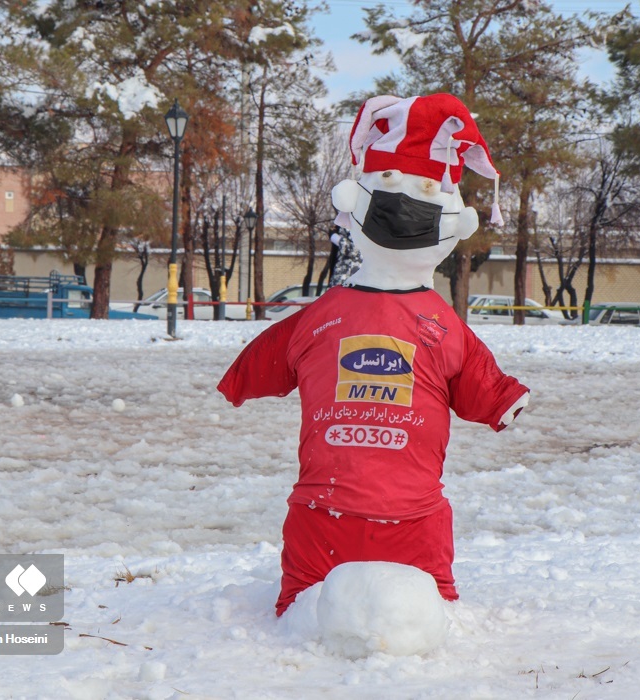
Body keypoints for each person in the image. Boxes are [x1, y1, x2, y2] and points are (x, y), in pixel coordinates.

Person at [218, 94, 529, 617]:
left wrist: (241, 379)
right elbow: (485, 393)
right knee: (421, 612)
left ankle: (312, 618)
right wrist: (503, 399)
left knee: (313, 611)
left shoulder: (330, 317)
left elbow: (263, 361)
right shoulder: (431, 325)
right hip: (376, 518)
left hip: (342, 517)